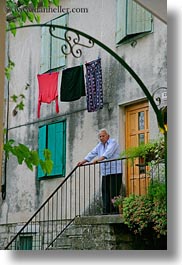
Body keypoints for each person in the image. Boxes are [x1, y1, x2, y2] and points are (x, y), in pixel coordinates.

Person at [77, 128, 123, 214]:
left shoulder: (113, 142)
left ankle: (115, 211)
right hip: (105, 172)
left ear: (108, 136)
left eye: (103, 136)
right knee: (105, 192)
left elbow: (108, 153)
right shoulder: (100, 145)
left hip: (115, 171)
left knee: (114, 192)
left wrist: (99, 160)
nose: (101, 138)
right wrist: (82, 162)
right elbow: (92, 153)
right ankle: (106, 211)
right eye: (100, 136)